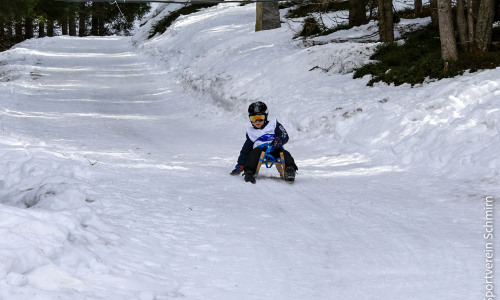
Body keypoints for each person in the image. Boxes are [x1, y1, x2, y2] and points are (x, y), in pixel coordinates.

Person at [230, 101, 298, 183]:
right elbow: (245, 150)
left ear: (265, 116)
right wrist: (241, 165)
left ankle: (290, 170)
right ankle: (249, 172)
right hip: (259, 151)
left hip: (275, 148)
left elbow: (284, 135)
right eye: (254, 119)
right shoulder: (251, 132)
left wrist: (279, 140)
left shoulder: (274, 124)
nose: (257, 121)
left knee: (285, 153)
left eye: (260, 117)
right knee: (253, 153)